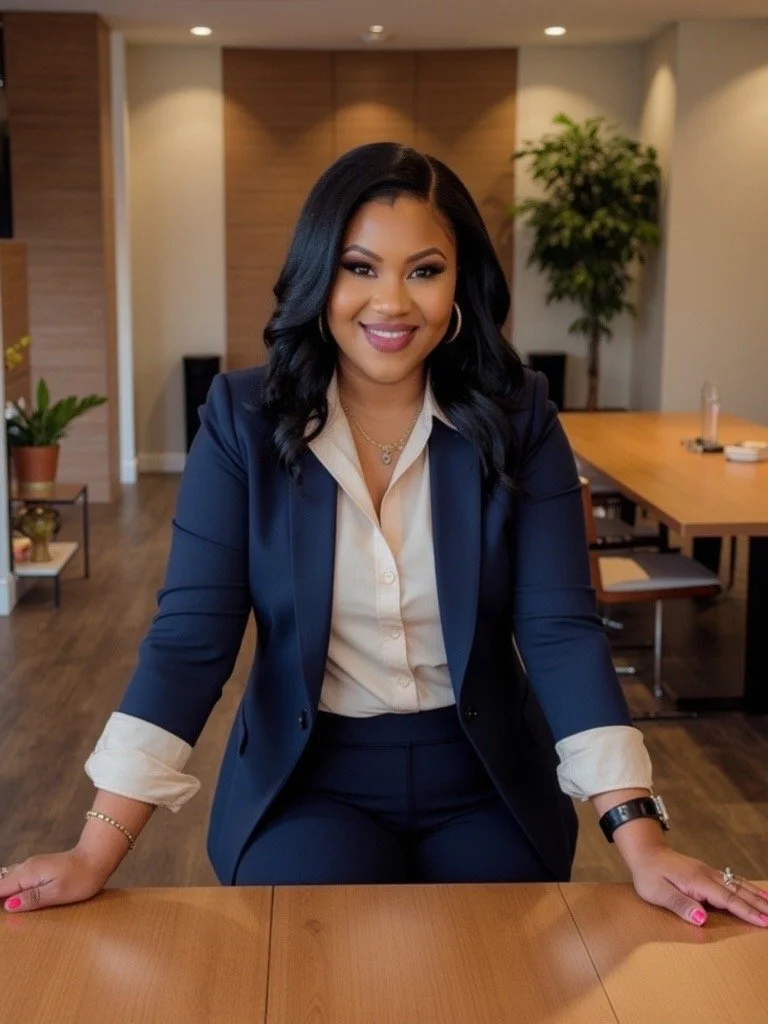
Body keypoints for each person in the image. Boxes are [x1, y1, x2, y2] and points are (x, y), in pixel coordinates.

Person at [1, 143, 766, 928]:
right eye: (360, 267)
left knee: (499, 967)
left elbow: (561, 631)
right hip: (307, 776)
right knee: (312, 952)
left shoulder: (518, 414)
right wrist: (94, 851)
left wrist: (642, 840)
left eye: (424, 270)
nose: (392, 303)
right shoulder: (243, 419)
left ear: (460, 283)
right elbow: (190, 641)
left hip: (486, 775)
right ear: (318, 276)